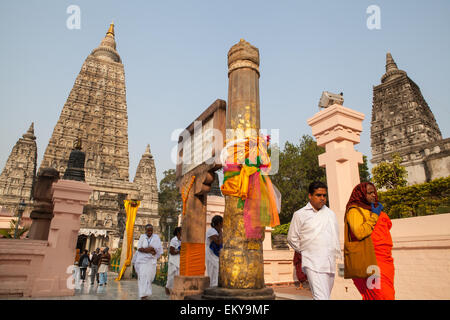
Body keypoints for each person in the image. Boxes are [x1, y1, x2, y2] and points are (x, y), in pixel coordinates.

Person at [287, 181, 340, 300]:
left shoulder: (330, 214)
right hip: (312, 262)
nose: (322, 198)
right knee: (322, 297)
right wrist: (306, 250)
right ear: (310, 196)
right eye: (318, 195)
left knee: (325, 296)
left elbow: (334, 236)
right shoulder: (300, 214)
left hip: (329, 263)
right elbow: (291, 238)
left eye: (324, 195)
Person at [345, 182, 395, 300]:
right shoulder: (354, 211)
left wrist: (377, 214)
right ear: (361, 194)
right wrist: (374, 217)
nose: (373, 195)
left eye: (374, 192)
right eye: (369, 193)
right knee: (381, 295)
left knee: (385, 294)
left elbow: (387, 227)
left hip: (385, 260)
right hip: (370, 260)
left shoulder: (377, 210)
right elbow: (359, 232)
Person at [132, 224, 163, 300]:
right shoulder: (142, 237)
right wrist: (149, 250)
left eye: (151, 230)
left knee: (150, 277)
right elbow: (139, 248)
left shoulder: (156, 237)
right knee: (142, 277)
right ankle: (143, 294)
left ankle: (146, 292)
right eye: (148, 230)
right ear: (145, 230)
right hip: (142, 260)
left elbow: (157, 250)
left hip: (151, 261)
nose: (149, 232)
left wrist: (148, 250)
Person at [205, 215, 223, 287]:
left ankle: (216, 285)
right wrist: (221, 232)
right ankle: (213, 286)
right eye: (222, 223)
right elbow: (218, 241)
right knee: (213, 269)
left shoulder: (217, 231)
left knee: (218, 269)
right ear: (219, 223)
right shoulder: (211, 231)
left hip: (216, 254)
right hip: (210, 253)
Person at [165, 226, 182, 295]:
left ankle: (175, 290)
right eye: (181, 231)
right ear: (178, 232)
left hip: (179, 260)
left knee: (178, 275)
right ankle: (167, 287)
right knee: (171, 276)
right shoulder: (173, 240)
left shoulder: (182, 239)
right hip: (173, 260)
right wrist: (179, 251)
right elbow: (171, 251)